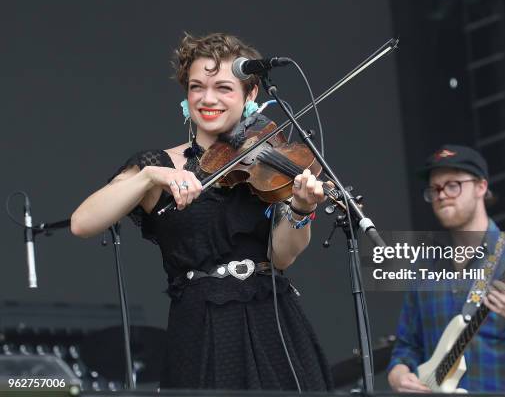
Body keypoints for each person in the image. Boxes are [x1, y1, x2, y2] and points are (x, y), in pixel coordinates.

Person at [71, 32, 333, 391]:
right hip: (199, 325)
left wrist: (301, 208)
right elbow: (83, 223)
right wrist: (150, 176)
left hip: (271, 320)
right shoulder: (160, 166)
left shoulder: (272, 160)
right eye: (197, 87)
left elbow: (282, 256)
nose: (208, 99)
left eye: (224, 88)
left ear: (251, 94)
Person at [387, 144, 505, 392]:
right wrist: (398, 376)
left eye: (453, 185)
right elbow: (406, 346)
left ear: (481, 186)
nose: (441, 195)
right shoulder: (425, 266)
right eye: (434, 189)